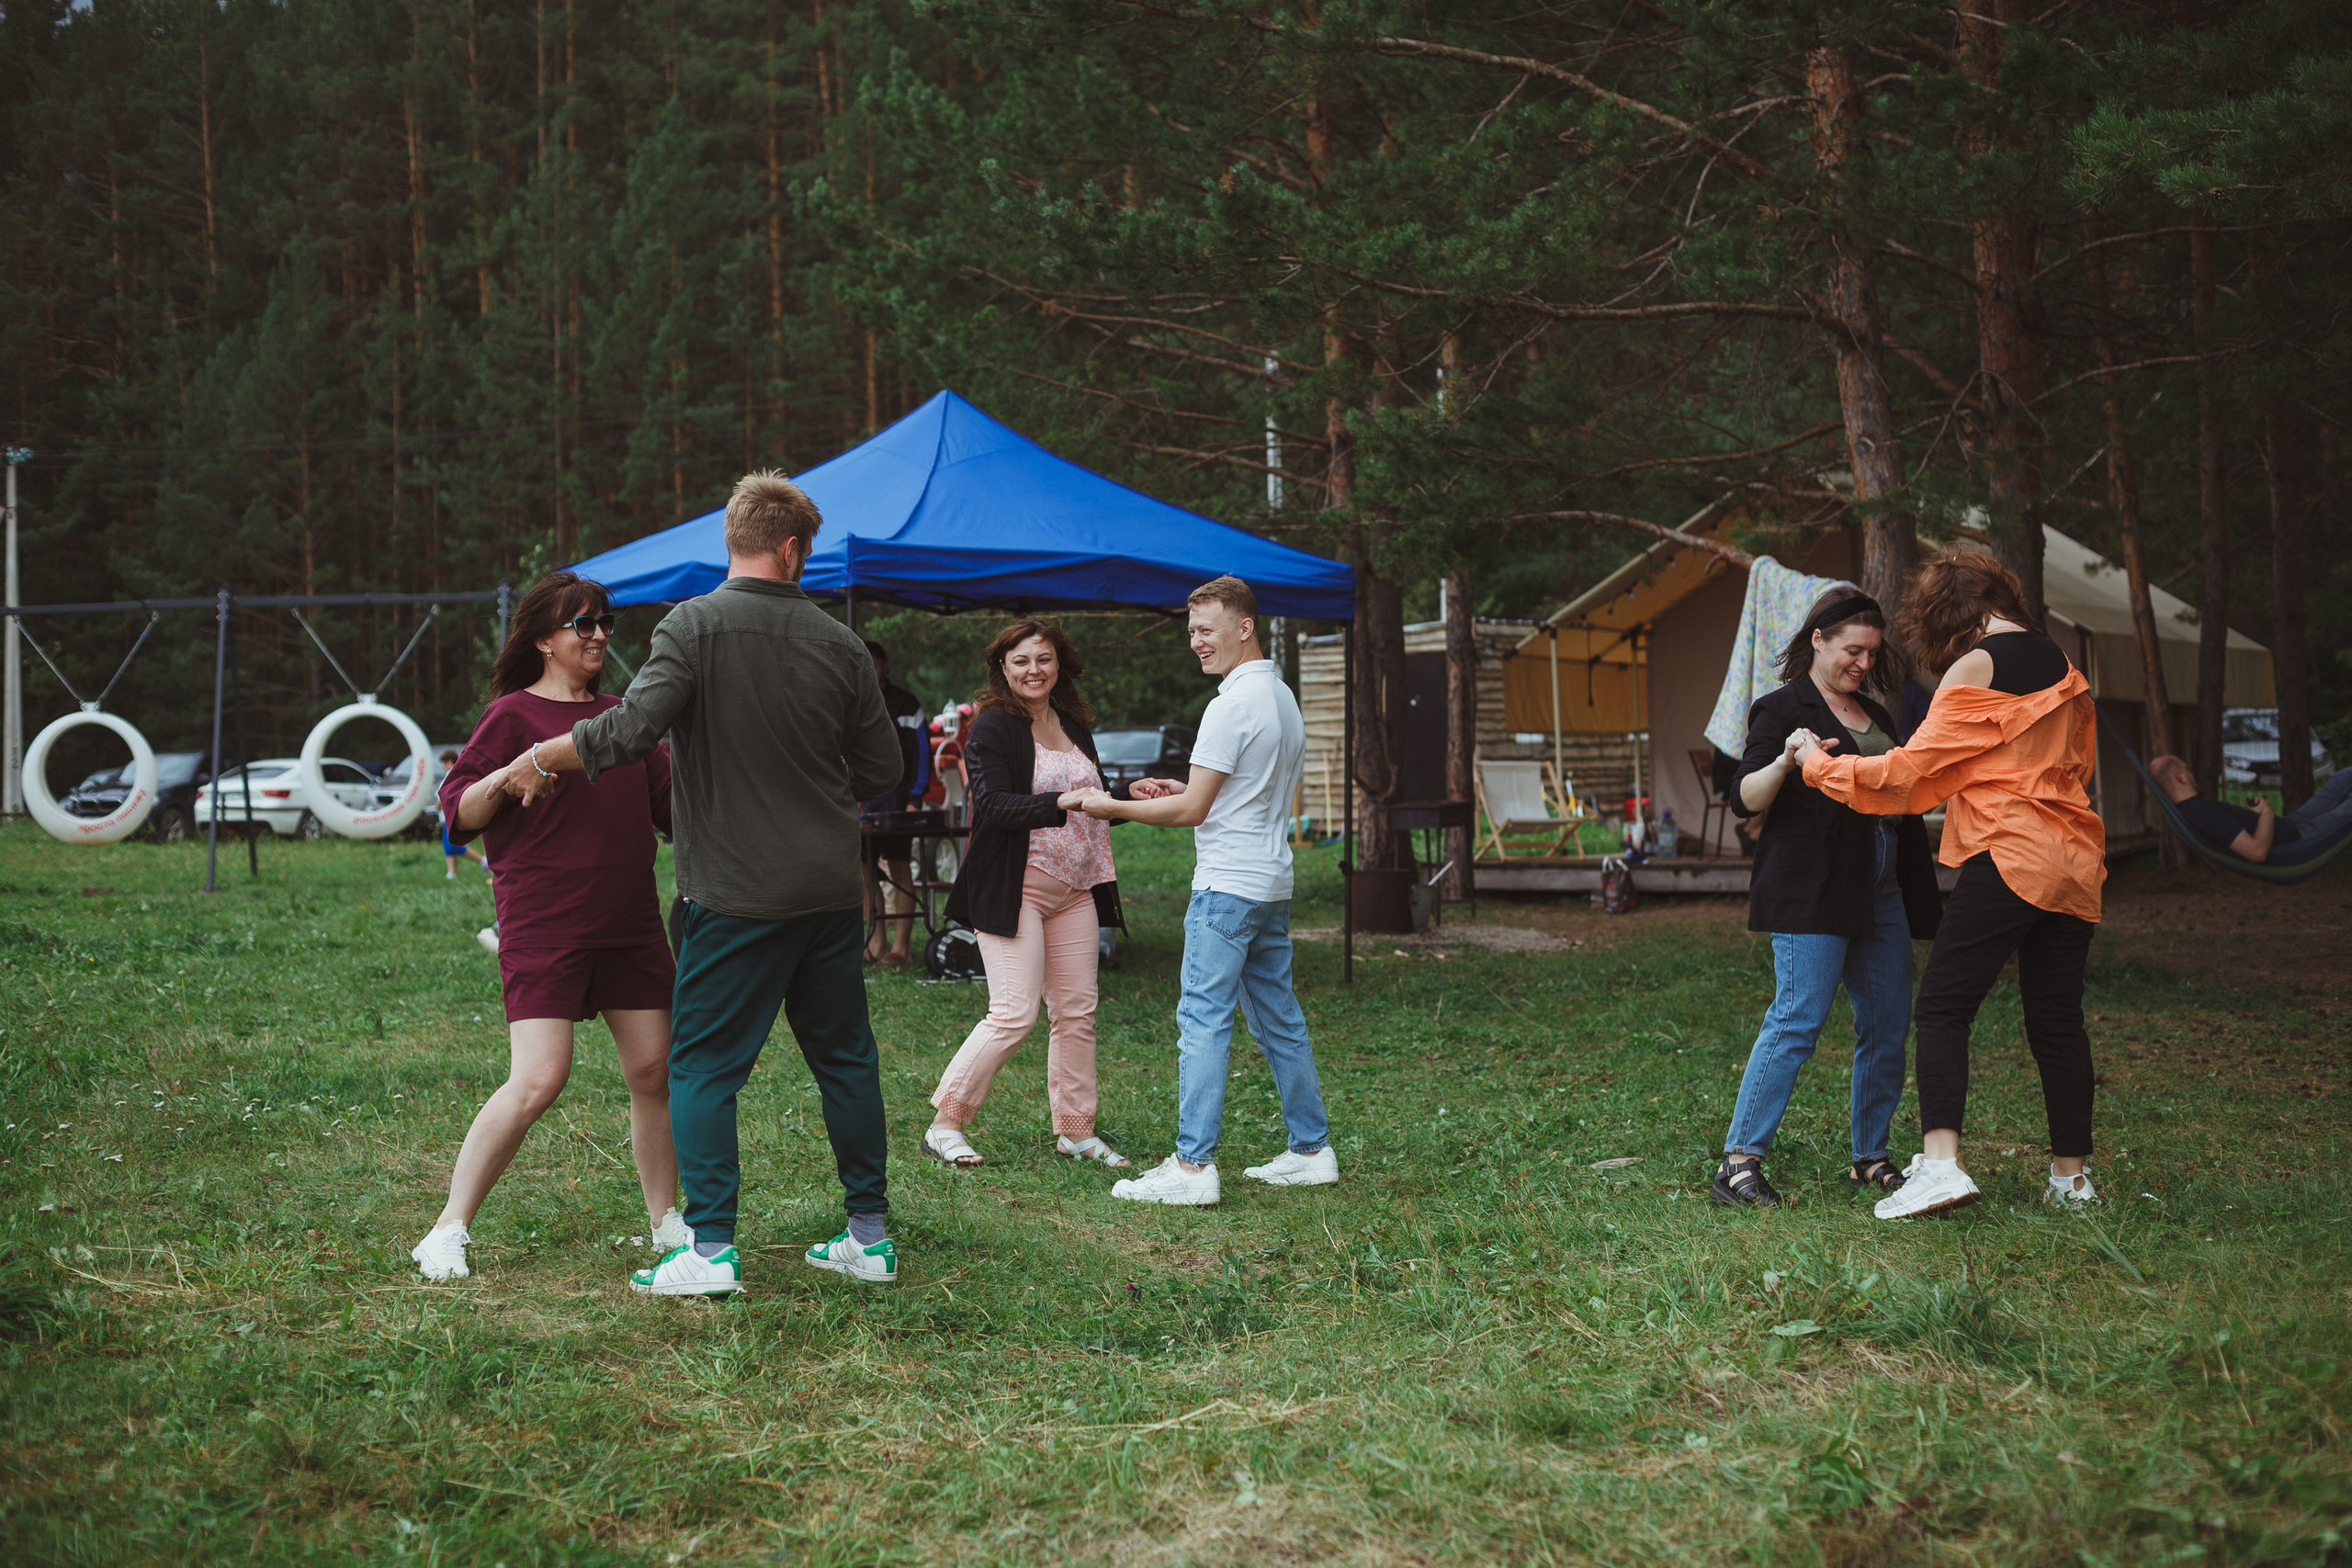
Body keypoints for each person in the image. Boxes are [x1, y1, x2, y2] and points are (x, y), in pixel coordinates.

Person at [488, 471, 905, 1296]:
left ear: (735, 538)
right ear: (792, 548)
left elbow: (631, 729)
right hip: (827, 891)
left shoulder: (694, 626)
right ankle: (871, 1237)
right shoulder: (841, 643)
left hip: (734, 896)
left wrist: (537, 756)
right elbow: (882, 767)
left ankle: (710, 1253)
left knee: (705, 1070)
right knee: (847, 1060)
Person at [1794, 552, 2105, 1221]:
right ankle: (2071, 1181)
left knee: (1940, 1006)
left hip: (2012, 851)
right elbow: (2070, 766)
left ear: (1946, 615)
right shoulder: (2063, 665)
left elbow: (1907, 774)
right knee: (2056, 1022)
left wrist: (1821, 767)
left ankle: (1939, 1166)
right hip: (2074, 856)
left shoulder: (1977, 664)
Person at [411, 572, 683, 1281]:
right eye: (581, 624)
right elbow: (459, 812)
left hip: (629, 921)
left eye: (604, 623)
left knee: (653, 1072)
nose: (597, 634)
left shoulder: (625, 717)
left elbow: (674, 812)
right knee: (538, 1079)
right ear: (543, 639)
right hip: (545, 922)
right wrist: (507, 776)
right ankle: (446, 1229)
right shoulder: (511, 717)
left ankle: (667, 1223)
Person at [1071, 576, 1335, 1206]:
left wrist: (1108, 805)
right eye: (1190, 631)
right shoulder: (1280, 697)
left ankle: (1192, 1168)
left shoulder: (1230, 705)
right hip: (1271, 882)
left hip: (1226, 888)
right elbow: (1227, 792)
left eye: (1206, 629)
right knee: (1279, 1019)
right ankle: (1311, 1149)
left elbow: (1194, 811)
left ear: (1244, 627)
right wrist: (1181, 788)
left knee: (1201, 1020)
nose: (1196, 642)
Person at [1714, 590, 1942, 1208]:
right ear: (1818, 638)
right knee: (1797, 1018)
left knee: (1888, 1022)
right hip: (1812, 890)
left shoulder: (1877, 716)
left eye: (1872, 652)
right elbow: (1746, 797)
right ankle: (1738, 1163)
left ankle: (1870, 1156)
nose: (1863, 663)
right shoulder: (1782, 708)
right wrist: (1788, 759)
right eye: (1852, 650)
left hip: (1882, 892)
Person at [926, 619, 1135, 1169]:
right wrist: (1058, 802)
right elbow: (992, 804)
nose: (1033, 670)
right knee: (1014, 1013)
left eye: (1043, 658)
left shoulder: (1071, 723)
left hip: (1076, 889)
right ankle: (945, 1122)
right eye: (1020, 660)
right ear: (1003, 669)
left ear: (1058, 664)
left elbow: (1095, 800)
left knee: (1077, 1012)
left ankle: (1075, 1131)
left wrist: (1132, 798)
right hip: (1014, 886)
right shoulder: (994, 726)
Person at [2145, 753, 2352, 862]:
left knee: (2344, 777)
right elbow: (2257, 852)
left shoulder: (2194, 811)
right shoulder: (2203, 813)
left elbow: (2236, 831)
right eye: (2186, 769)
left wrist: (2257, 815)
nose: (2190, 774)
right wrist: (2267, 813)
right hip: (2302, 839)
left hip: (2294, 824)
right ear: (2179, 777)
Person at [861, 639, 928, 965]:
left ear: (885, 666)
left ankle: (901, 948)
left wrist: (915, 798)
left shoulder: (907, 704)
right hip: (862, 806)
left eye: (874, 663)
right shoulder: (851, 700)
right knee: (864, 872)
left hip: (900, 804)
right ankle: (876, 944)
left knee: (900, 868)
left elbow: (922, 755)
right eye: (864, 663)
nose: (870, 670)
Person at [438, 750, 492, 882]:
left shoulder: (449, 776)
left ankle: (482, 860)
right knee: (448, 847)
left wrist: (437, 805)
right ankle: (452, 873)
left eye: (443, 763)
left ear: (449, 762)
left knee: (452, 846)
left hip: (449, 818)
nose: (443, 766)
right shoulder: (458, 774)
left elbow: (442, 797)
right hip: (448, 818)